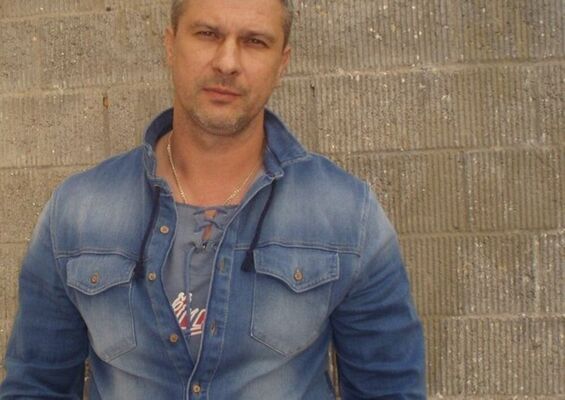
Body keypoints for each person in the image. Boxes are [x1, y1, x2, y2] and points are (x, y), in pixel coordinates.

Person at [0, 0, 426, 398]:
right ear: (170, 45)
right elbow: (36, 385)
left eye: (254, 41)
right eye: (207, 34)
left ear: (282, 62)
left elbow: (389, 388)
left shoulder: (347, 215)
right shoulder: (78, 211)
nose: (227, 62)